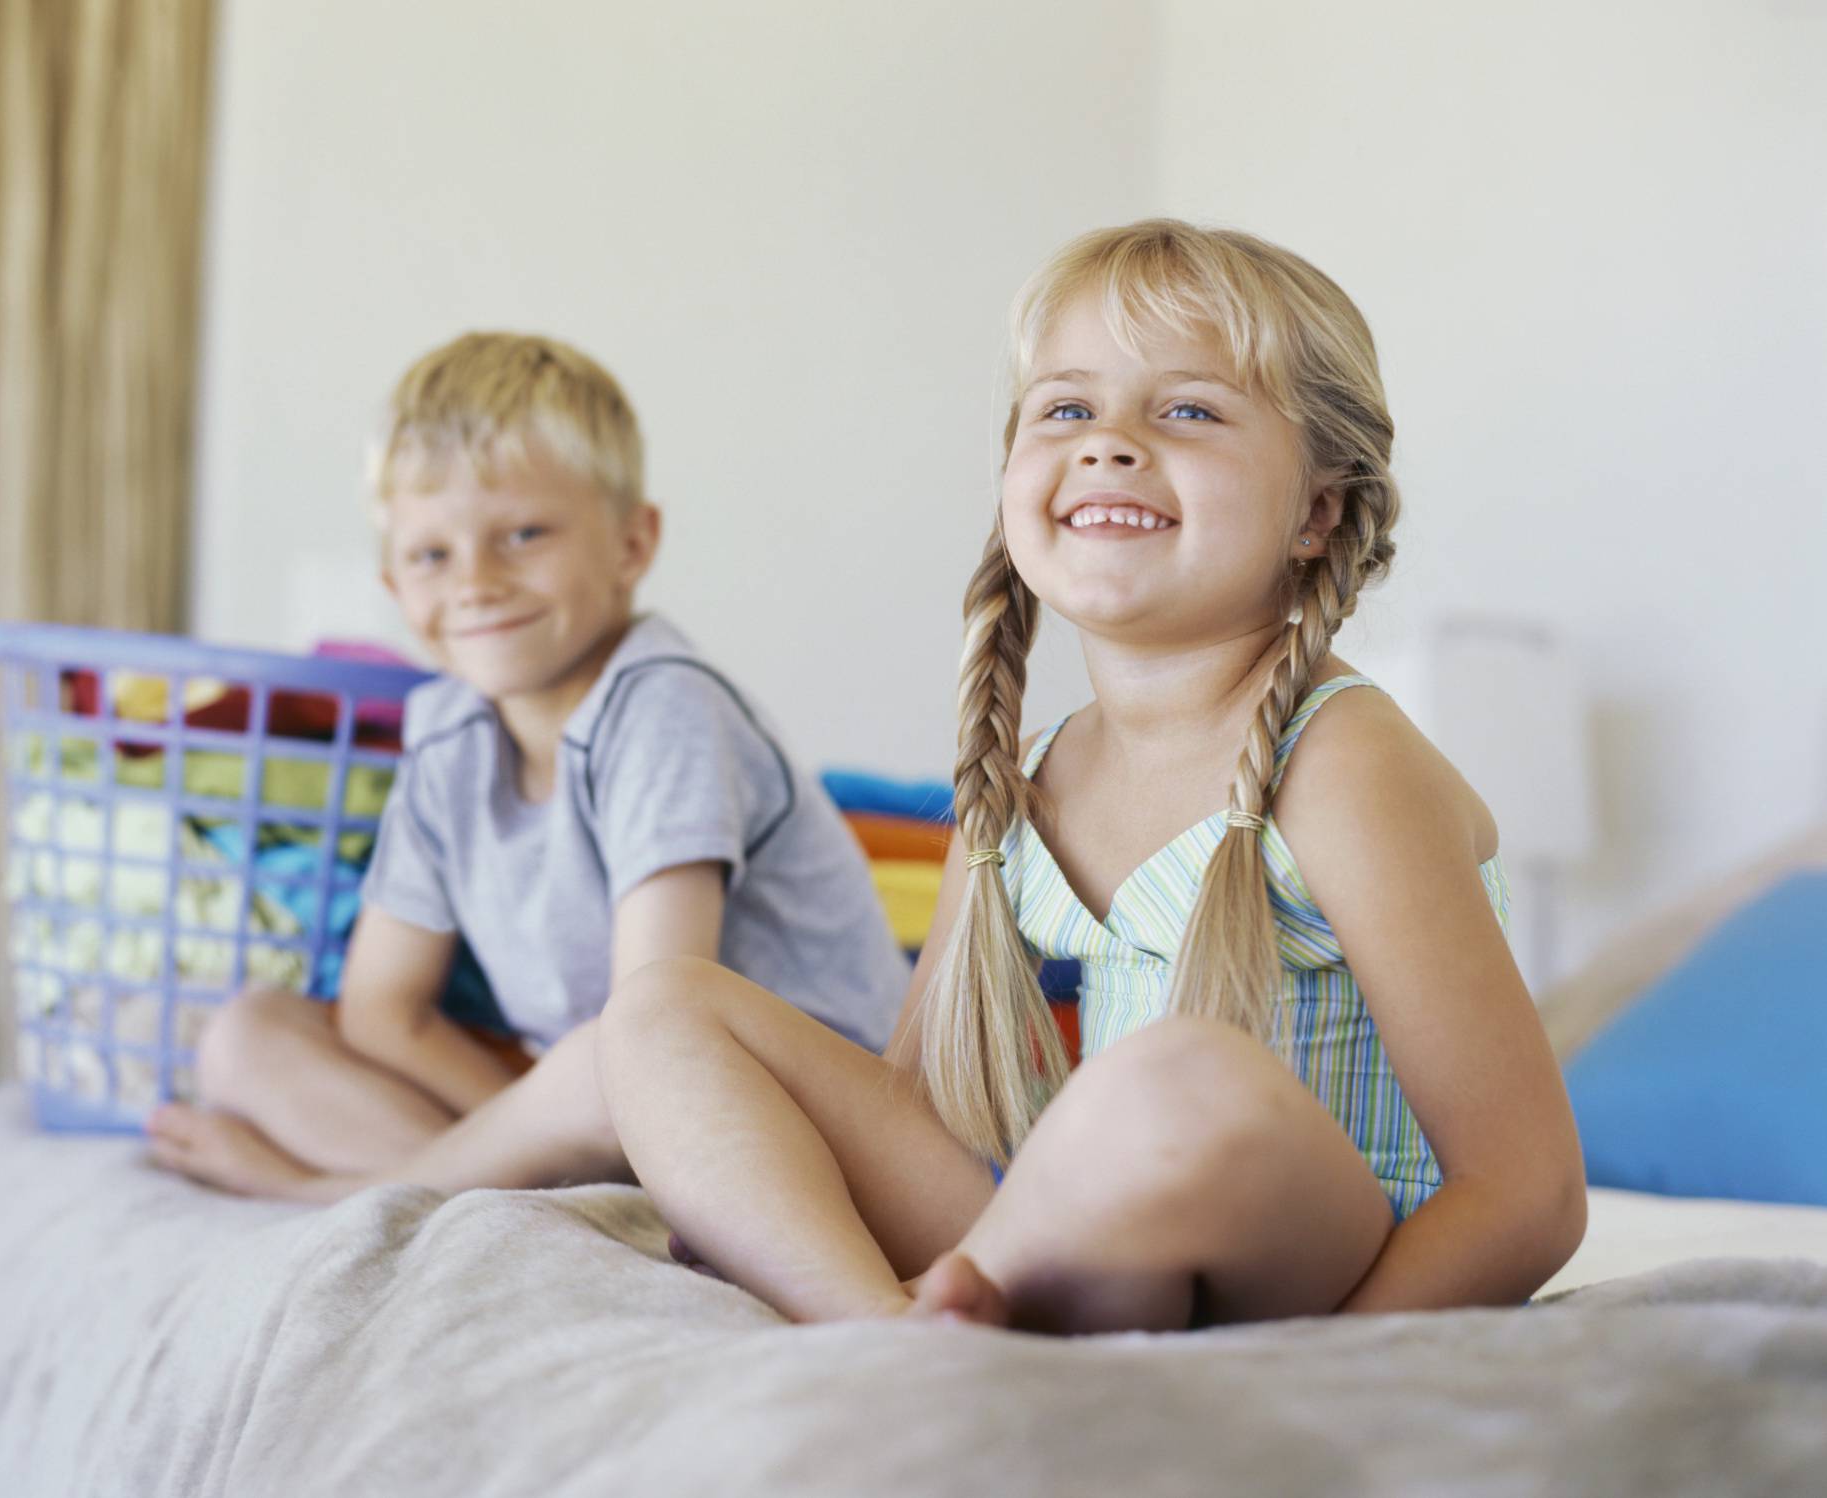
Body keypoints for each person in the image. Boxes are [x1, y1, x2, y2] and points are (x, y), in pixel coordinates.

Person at [595, 220, 1588, 1333]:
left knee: (1175, 1076)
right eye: (1066, 409)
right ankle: (874, 1328)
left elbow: (1527, 1196)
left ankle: (966, 1306)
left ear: (1317, 510)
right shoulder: (1028, 775)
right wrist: (796, 1176)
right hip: (1091, 1233)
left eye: (1189, 411)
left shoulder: (1344, 761)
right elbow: (913, 1114)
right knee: (662, 1006)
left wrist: (1323, 1369)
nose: (1109, 443)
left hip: (1319, 1263)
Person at [147, 332, 906, 1200]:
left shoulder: (662, 706)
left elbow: (654, 1034)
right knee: (246, 1039)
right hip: (611, 1092)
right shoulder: (447, 737)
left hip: (799, 1118)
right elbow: (382, 1012)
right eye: (432, 555)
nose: (475, 582)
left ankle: (328, 1194)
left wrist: (556, 1114)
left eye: (522, 534)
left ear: (632, 544)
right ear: (395, 586)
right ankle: (527, 1189)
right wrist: (529, 1125)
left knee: (603, 1056)